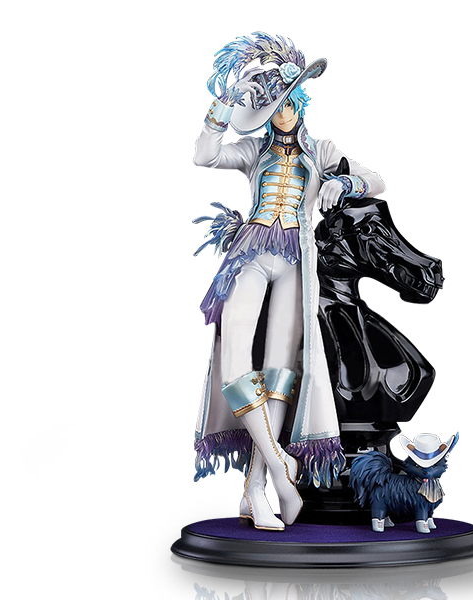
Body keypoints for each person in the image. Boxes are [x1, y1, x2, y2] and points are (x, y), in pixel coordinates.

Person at [191, 33, 385, 531]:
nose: (283, 114)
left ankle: (256, 487)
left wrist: (343, 182)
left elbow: (376, 180)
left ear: (301, 103)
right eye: (274, 106)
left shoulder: (321, 151)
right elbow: (205, 155)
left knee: (280, 370)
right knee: (236, 361)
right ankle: (280, 469)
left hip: (297, 261)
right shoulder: (252, 150)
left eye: (289, 103)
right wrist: (222, 106)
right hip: (252, 252)